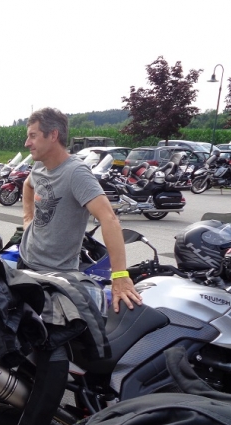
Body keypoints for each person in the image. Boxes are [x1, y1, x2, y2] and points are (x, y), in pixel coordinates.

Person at [20, 107, 142, 313]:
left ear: (53, 135)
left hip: (57, 275)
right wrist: (27, 219)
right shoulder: (40, 166)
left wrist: (120, 276)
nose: (27, 143)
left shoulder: (76, 173)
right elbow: (28, 185)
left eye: (33, 136)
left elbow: (109, 219)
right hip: (26, 262)